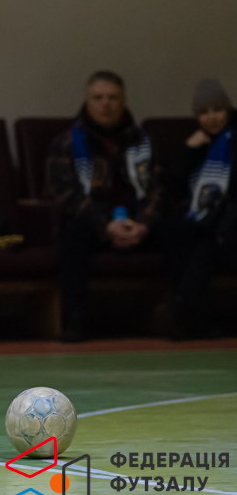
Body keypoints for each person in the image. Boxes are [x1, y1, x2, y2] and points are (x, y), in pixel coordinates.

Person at [45, 70, 163, 342]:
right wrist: (106, 226)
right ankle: (76, 320)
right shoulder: (65, 143)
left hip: (138, 223)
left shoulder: (143, 141)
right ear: (87, 101)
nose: (105, 104)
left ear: (123, 101)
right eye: (98, 98)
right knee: (72, 234)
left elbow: (158, 188)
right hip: (93, 224)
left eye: (112, 97)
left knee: (185, 232)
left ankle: (184, 316)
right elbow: (66, 195)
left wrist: (143, 224)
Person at [162, 78, 237, 339]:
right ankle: (188, 317)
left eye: (217, 109)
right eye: (204, 112)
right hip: (201, 226)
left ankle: (185, 317)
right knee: (184, 235)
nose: (212, 117)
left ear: (228, 110)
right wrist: (188, 149)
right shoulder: (195, 144)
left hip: (230, 227)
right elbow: (169, 185)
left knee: (203, 245)